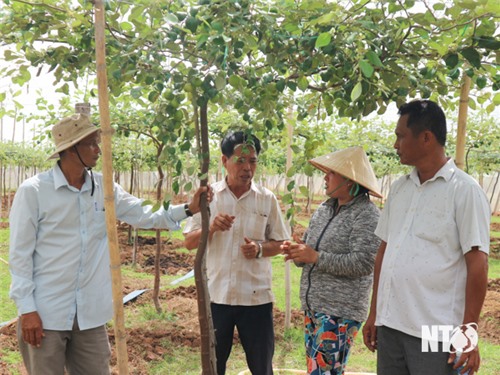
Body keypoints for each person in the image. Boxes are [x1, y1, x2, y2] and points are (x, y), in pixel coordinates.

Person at [9, 113, 211, 375]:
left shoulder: (103, 187)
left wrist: (188, 208)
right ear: (70, 149)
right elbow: (20, 255)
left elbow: (142, 212)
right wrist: (27, 310)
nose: (98, 149)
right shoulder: (34, 191)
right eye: (91, 143)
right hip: (46, 314)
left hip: (90, 314)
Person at [362, 99, 491, 375]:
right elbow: (384, 252)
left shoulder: (464, 192)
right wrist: (375, 313)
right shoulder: (399, 189)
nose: (395, 144)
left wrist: (468, 332)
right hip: (391, 326)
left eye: (400, 136)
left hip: (437, 330)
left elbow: (477, 263)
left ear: (426, 138)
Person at [183, 130, 290, 375]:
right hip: (217, 298)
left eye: (252, 161)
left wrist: (260, 249)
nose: (247, 168)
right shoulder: (208, 197)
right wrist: (210, 228)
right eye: (240, 160)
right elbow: (189, 241)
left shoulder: (267, 199)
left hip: (256, 299)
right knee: (213, 365)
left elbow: (281, 242)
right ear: (224, 161)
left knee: (262, 367)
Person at [281, 146, 381, 375]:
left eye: (331, 173)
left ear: (349, 181)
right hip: (314, 307)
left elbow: (364, 263)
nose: (325, 177)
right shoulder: (325, 209)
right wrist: (298, 252)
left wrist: (315, 257)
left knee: (322, 373)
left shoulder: (367, 215)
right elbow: (309, 249)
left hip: (340, 311)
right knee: (321, 372)